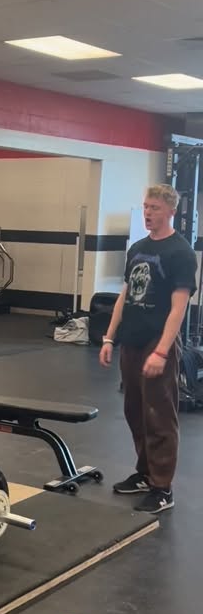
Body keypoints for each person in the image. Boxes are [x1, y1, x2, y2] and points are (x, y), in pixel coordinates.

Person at [99, 184, 197, 514]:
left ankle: (162, 487)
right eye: (145, 206)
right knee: (134, 409)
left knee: (159, 413)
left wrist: (162, 351)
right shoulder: (138, 249)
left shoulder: (180, 252)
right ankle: (145, 473)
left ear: (170, 211)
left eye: (154, 207)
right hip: (133, 337)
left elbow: (179, 307)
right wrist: (109, 338)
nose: (148, 213)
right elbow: (125, 296)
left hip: (158, 339)